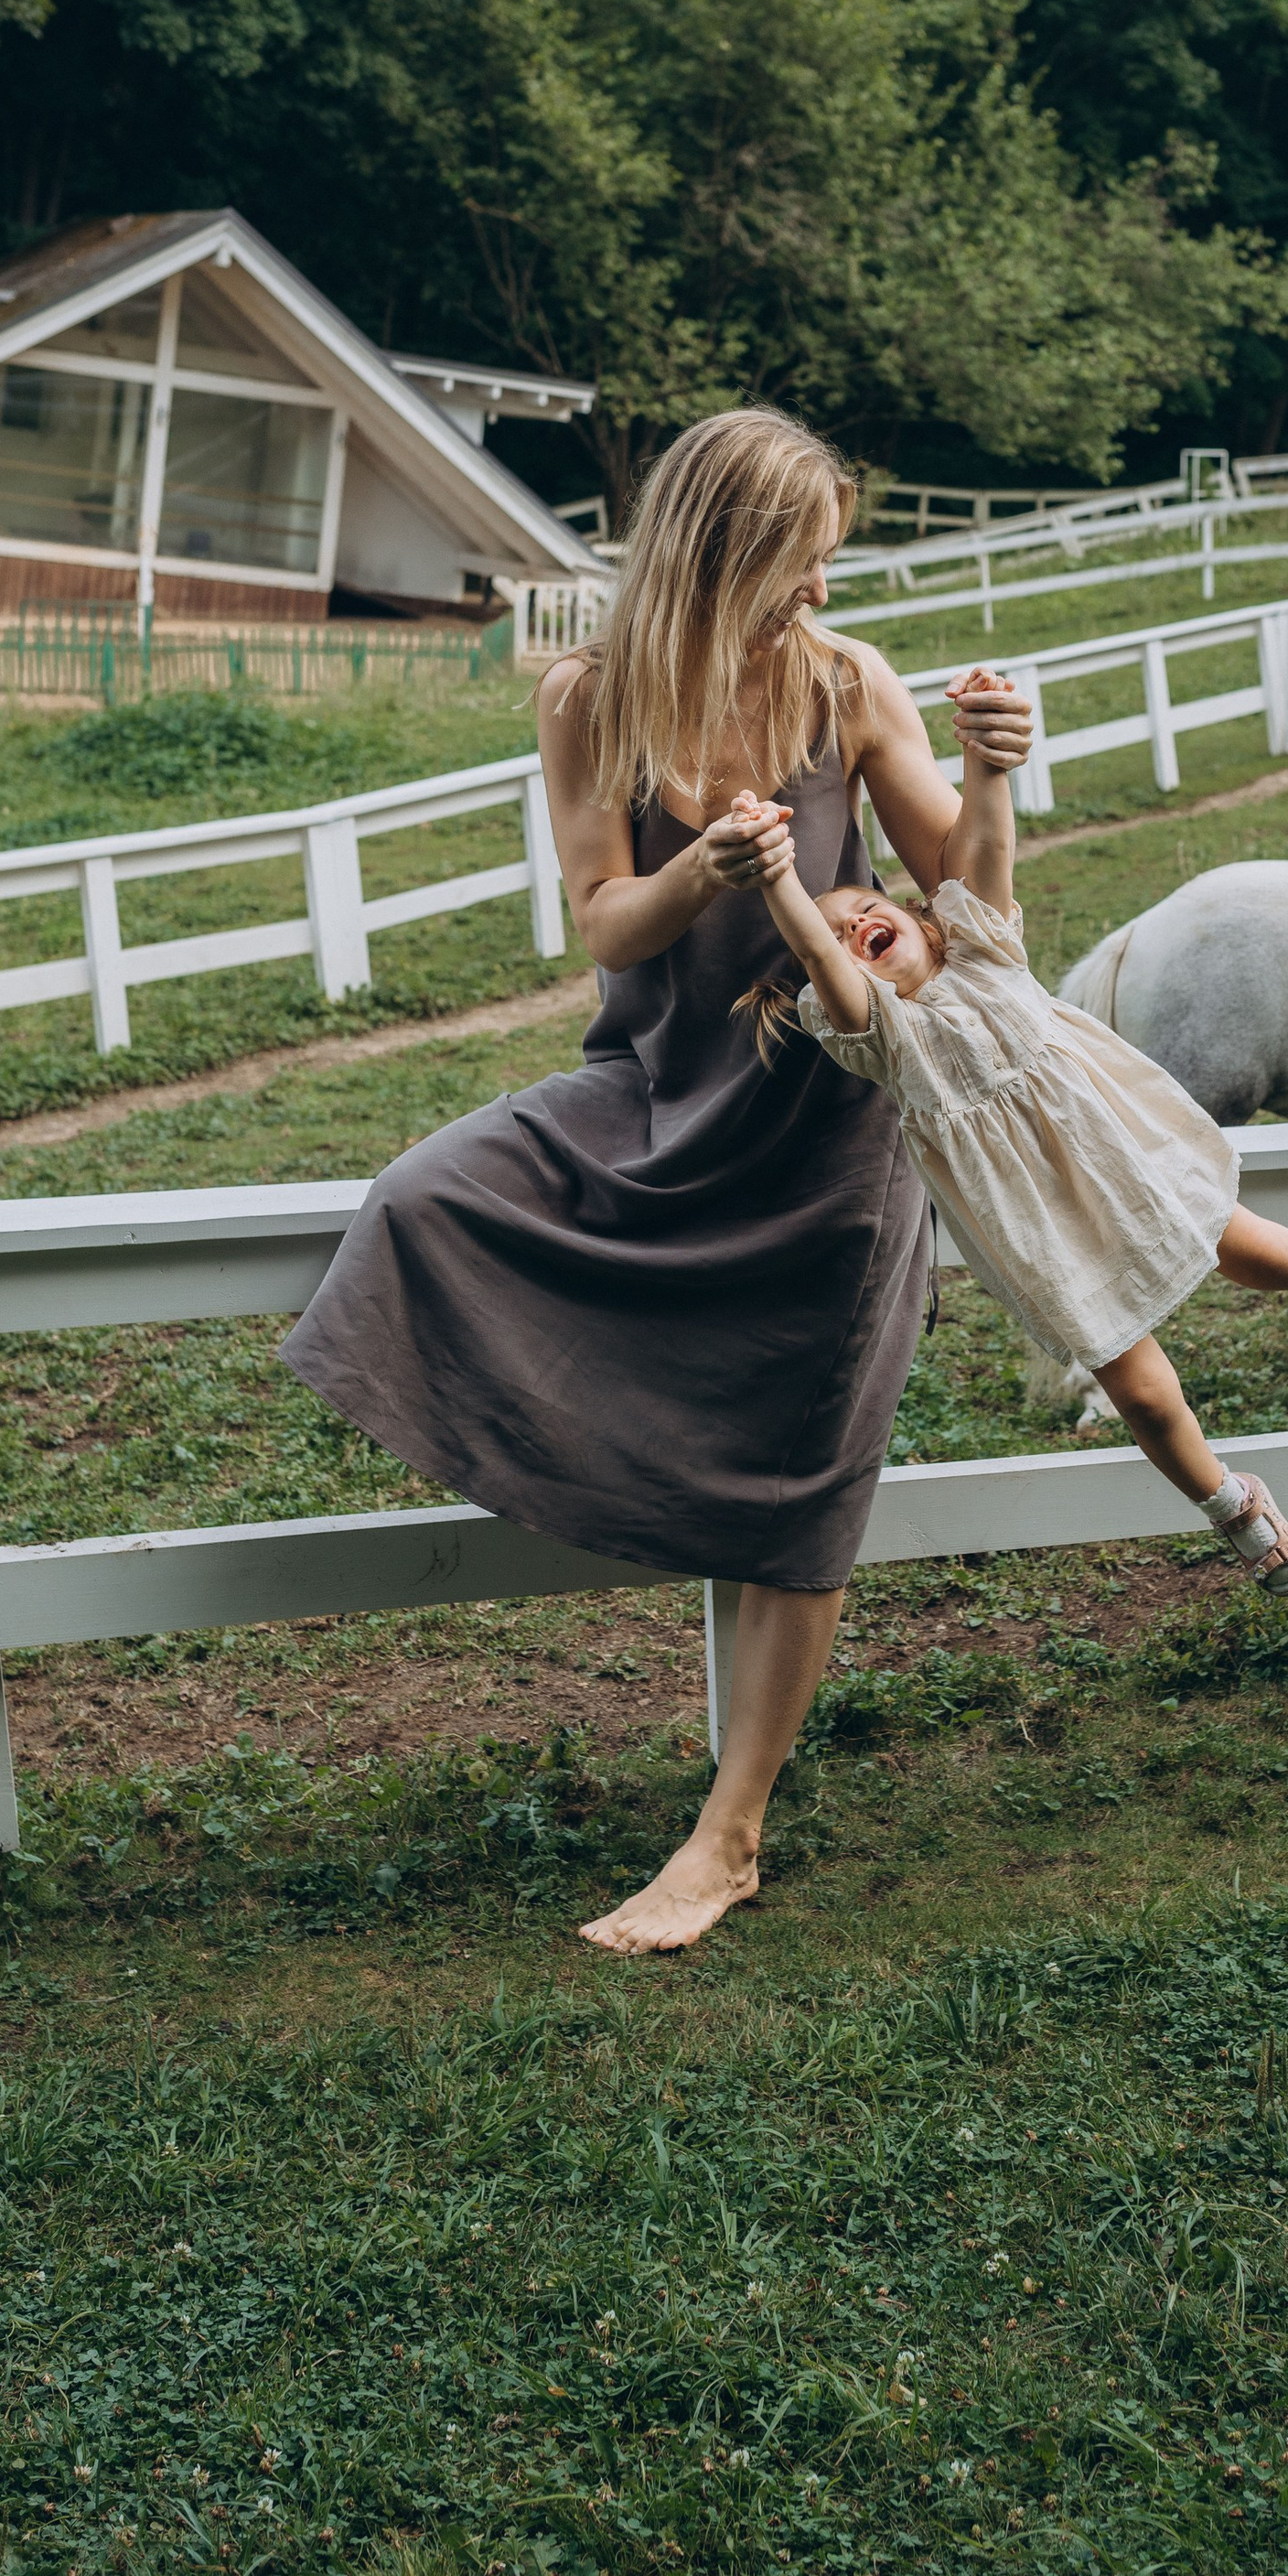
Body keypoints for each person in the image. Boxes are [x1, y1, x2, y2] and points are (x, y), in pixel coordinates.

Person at [281, 406, 1033, 1957]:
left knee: (812, 1469)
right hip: (657, 1086)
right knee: (423, 1197)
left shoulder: (847, 683)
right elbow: (606, 919)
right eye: (800, 563)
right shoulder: (590, 698)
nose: (821, 592)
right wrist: (708, 869)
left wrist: (987, 770)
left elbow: (970, 906)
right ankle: (606, 1481)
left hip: (833, 1126)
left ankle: (728, 1836)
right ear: (723, 553)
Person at [732, 666, 1288, 1593]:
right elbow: (818, 954)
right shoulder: (878, 1036)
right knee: (1140, 1391)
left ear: (922, 918)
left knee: (1264, 1254)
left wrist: (984, 761)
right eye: (841, 937)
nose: (855, 930)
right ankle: (1231, 1502)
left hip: (1123, 1153)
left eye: (867, 910)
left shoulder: (984, 949)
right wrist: (778, 877)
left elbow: (984, 844)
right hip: (1038, 1223)